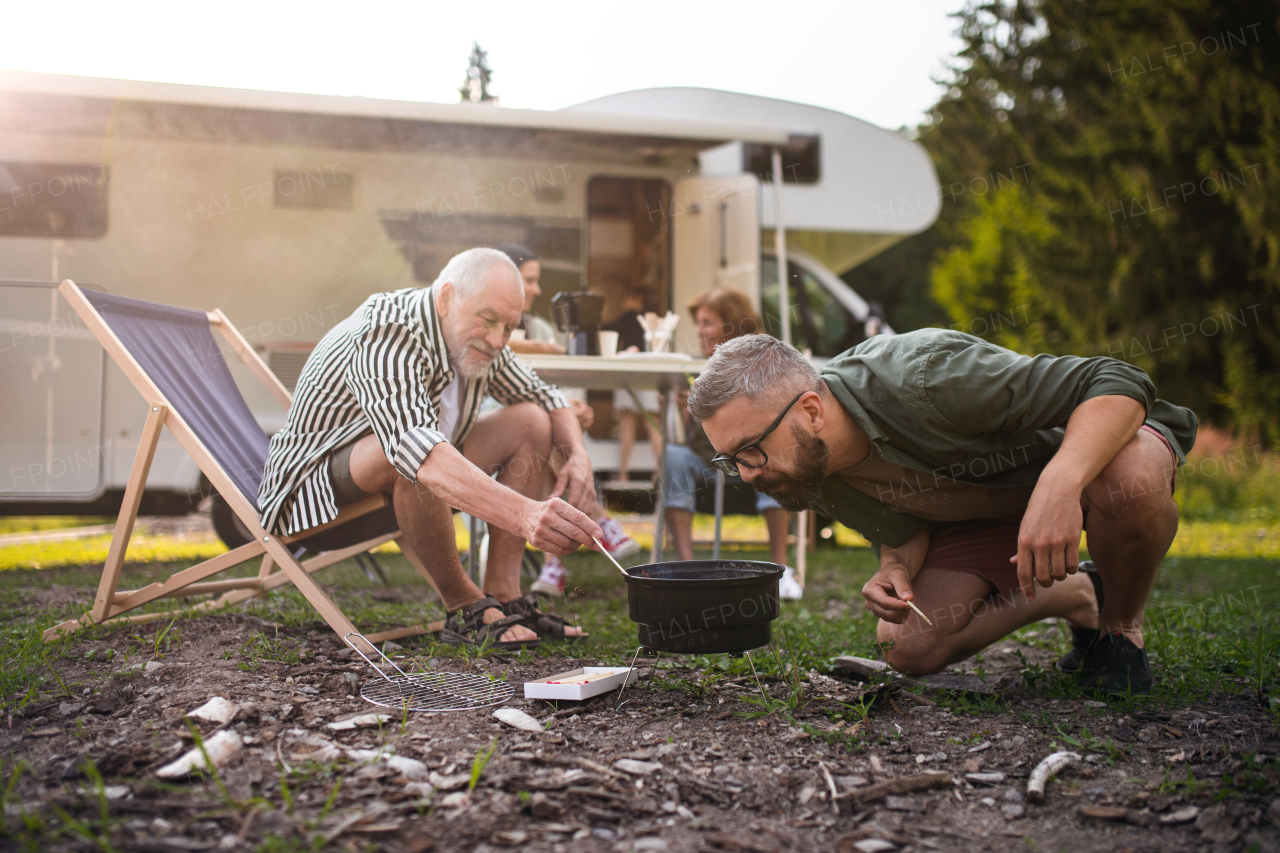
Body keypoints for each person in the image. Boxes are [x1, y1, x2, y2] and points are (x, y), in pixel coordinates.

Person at [688, 332, 1196, 694]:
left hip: (1085, 457)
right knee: (906, 647)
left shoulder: (925, 376)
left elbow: (1118, 379)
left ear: (811, 412)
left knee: (1131, 480)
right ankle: (1081, 593)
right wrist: (895, 567)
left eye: (750, 449)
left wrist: (1060, 483)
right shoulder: (803, 467)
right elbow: (902, 527)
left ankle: (1120, 632)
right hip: (980, 513)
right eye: (729, 459)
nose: (746, 473)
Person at [258, 248, 604, 649]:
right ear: (445, 298)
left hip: (404, 486)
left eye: (509, 327)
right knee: (408, 451)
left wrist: (578, 457)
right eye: (488, 320)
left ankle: (505, 594)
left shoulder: (478, 337)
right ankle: (464, 604)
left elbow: (546, 396)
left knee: (531, 419)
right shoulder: (387, 330)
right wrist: (525, 514)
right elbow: (412, 445)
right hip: (309, 499)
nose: (497, 340)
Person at [494, 244, 640, 596]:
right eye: (530, 281)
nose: (537, 290)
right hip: (493, 424)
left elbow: (544, 385)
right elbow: (509, 379)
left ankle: (552, 567)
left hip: (531, 429)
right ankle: (599, 520)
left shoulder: (541, 327)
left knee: (544, 430)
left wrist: (569, 406)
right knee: (540, 425)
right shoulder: (490, 324)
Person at [663, 288, 800, 597]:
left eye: (706, 323)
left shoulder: (762, 360)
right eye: (698, 323)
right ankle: (687, 569)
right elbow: (696, 437)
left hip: (753, 458)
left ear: (731, 324)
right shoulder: (695, 366)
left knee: (775, 456)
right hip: (710, 463)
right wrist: (685, 407)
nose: (699, 332)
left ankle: (782, 570)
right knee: (672, 455)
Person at [605, 289, 663, 481]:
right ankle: (659, 471)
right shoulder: (652, 320)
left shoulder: (630, 316)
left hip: (629, 369)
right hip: (650, 371)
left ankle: (622, 472)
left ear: (634, 298)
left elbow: (609, 328)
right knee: (652, 421)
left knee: (628, 420)